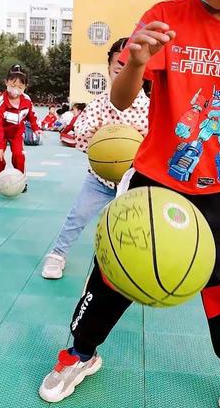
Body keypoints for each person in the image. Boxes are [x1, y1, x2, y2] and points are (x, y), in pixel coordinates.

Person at [38, 0, 220, 407]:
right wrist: (134, 63)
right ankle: (80, 352)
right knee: (113, 274)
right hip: (155, 179)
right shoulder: (164, 19)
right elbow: (121, 100)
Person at [42, 38, 150, 279]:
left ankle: (131, 266)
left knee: (136, 227)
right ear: (109, 69)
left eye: (131, 68)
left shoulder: (149, 107)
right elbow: (82, 136)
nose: (124, 74)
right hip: (99, 179)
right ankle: (57, 254)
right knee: (78, 215)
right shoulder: (99, 104)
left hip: (135, 182)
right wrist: (103, 142)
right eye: (118, 68)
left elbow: (155, 143)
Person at [0, 65, 40, 192]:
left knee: (19, 156)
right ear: (6, 83)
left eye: (20, 87)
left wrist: (35, 127)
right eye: (12, 85)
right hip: (1, 134)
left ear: (25, 87)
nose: (15, 90)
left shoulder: (26, 100)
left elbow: (31, 114)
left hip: (16, 133)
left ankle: (21, 181)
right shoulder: (1, 101)